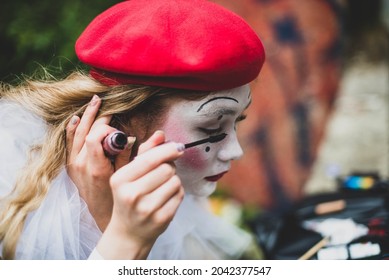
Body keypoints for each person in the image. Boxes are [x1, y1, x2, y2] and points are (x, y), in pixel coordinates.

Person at [0, 0, 265, 259]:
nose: (235, 151)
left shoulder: (167, 188)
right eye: (211, 127)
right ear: (123, 121)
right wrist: (125, 240)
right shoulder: (12, 179)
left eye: (237, 121)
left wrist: (107, 219)